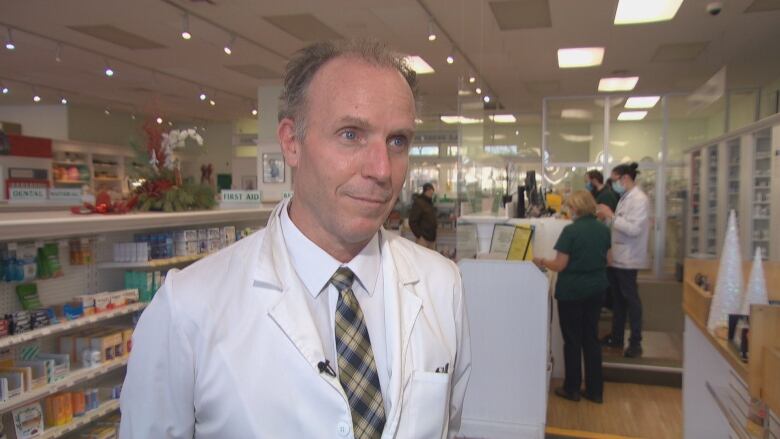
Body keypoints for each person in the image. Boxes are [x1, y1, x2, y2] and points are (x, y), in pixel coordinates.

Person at [120, 39, 471, 439]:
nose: (381, 170)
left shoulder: (443, 285)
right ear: (291, 143)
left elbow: (449, 425)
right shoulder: (189, 308)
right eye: (351, 134)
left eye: (397, 141)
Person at [533, 191, 611, 404]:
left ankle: (572, 388)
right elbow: (609, 260)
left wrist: (540, 261)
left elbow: (560, 265)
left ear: (575, 208)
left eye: (569, 207)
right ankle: (595, 391)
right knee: (591, 339)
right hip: (596, 290)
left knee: (573, 341)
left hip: (573, 292)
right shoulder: (603, 230)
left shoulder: (571, 231)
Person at [596, 162, 650, 358]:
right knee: (618, 301)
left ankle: (636, 342)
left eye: (615, 180)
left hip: (629, 258)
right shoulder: (625, 197)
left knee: (631, 300)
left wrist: (610, 217)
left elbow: (634, 229)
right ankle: (617, 337)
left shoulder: (639, 200)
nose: (614, 185)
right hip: (618, 257)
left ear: (625, 178)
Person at [408, 182, 437, 249]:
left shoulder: (430, 203)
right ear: (425, 191)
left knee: (431, 259)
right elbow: (412, 221)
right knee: (421, 258)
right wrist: (419, 236)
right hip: (423, 240)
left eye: (432, 190)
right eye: (429, 190)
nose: (431, 192)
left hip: (432, 239)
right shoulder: (419, 203)